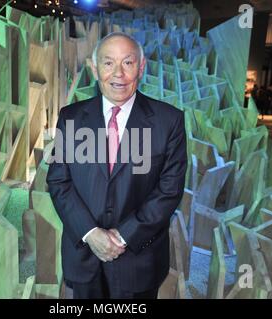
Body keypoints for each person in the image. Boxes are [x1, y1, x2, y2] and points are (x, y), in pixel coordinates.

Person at [46, 32, 187, 299]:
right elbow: (58, 181)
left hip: (138, 259)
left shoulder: (169, 121)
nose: (118, 74)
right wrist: (91, 233)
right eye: (108, 63)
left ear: (141, 67)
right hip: (84, 255)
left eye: (128, 63)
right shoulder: (71, 117)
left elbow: (169, 191)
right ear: (94, 68)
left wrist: (123, 237)